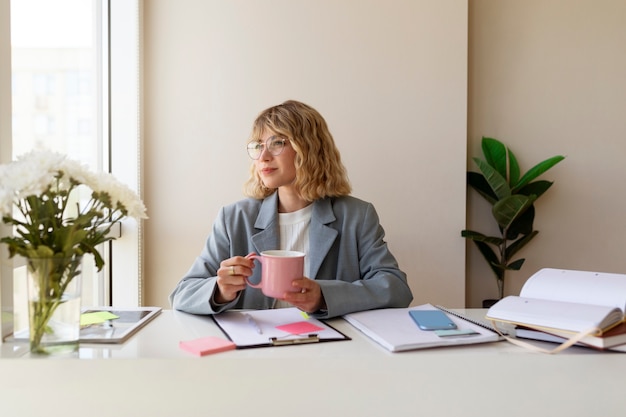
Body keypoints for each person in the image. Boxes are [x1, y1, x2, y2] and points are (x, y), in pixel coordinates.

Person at [169, 100, 413, 318]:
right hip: (256, 350)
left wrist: (324, 296)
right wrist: (220, 291)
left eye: (276, 143)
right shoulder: (234, 218)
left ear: (307, 149)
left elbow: (395, 288)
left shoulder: (356, 216)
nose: (263, 156)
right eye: (257, 145)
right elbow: (182, 294)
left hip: (332, 350)